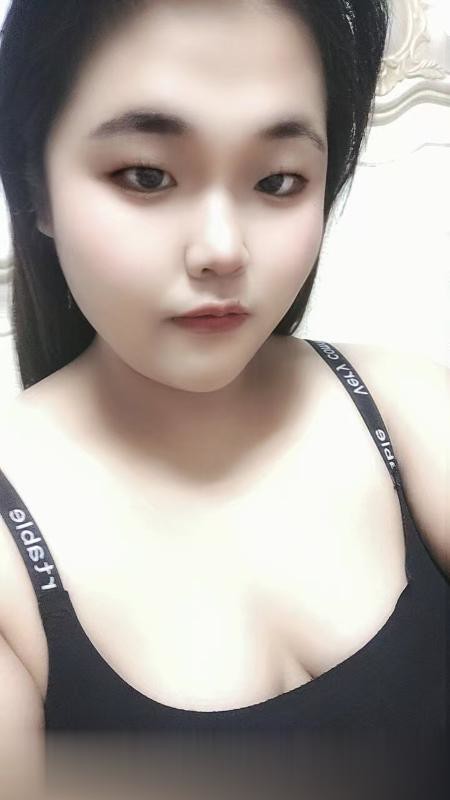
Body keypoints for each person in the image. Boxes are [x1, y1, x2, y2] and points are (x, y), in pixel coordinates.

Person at [0, 0, 448, 797]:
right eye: (147, 175)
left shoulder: (412, 409)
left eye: (278, 181)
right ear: (37, 187)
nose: (222, 249)